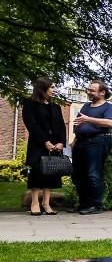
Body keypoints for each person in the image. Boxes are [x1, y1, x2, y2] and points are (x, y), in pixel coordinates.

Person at [71, 80, 112, 215]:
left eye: (92, 91)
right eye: (88, 90)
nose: (88, 92)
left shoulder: (109, 108)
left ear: (102, 92)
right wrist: (75, 139)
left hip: (98, 141)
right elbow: (79, 123)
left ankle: (95, 205)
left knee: (93, 173)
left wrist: (88, 119)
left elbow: (110, 123)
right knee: (78, 174)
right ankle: (84, 204)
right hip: (80, 142)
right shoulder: (85, 107)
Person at [22, 77, 66, 216]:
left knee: (51, 173)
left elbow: (61, 126)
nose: (55, 90)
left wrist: (61, 142)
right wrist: (44, 141)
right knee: (36, 172)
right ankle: (35, 202)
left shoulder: (55, 106)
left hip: (54, 145)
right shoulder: (30, 103)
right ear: (43, 88)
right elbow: (31, 124)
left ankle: (46, 203)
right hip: (38, 144)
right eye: (52, 87)